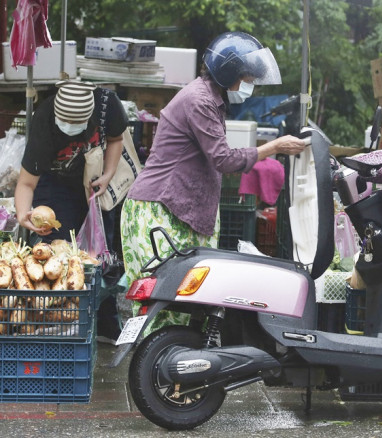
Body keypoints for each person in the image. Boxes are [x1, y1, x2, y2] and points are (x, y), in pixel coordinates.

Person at [120, 31, 306, 331]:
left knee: (186, 303)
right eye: (247, 78)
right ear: (230, 73)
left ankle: (175, 373)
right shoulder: (200, 100)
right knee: (163, 304)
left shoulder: (212, 100)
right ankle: (154, 372)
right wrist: (273, 147)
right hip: (157, 209)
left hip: (181, 209)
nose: (250, 86)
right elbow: (224, 159)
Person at [14, 79, 128, 343]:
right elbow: (26, 183)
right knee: (57, 252)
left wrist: (108, 175)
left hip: (95, 178)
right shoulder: (44, 120)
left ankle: (104, 328)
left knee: (100, 256)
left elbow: (116, 139)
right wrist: (23, 216)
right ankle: (56, 327)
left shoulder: (107, 105)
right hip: (56, 183)